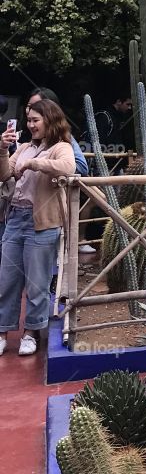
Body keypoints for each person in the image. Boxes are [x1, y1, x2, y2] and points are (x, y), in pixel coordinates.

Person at [0, 99, 75, 355]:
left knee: (37, 282)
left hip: (41, 222)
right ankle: (3, 332)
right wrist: (3, 149)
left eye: (35, 120)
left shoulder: (61, 147)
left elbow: (68, 167)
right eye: (29, 120)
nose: (31, 125)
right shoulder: (23, 147)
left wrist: (35, 164)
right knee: (7, 280)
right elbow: (5, 175)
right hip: (15, 218)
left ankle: (31, 333)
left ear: (49, 120)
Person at [27, 88, 89, 176]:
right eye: (29, 106)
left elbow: (81, 167)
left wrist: (44, 165)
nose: (31, 110)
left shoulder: (62, 137)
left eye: (37, 106)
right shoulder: (22, 131)